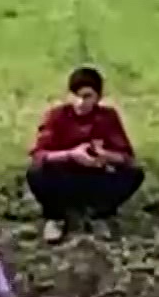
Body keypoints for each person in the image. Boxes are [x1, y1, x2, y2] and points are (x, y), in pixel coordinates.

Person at [25, 65, 144, 243]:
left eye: (87, 96)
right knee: (36, 172)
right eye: (76, 96)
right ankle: (55, 216)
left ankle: (100, 214)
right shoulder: (57, 116)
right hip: (64, 176)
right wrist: (70, 155)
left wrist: (105, 156)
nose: (81, 102)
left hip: (95, 175)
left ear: (98, 97)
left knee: (134, 173)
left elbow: (126, 156)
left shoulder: (107, 117)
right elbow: (39, 154)